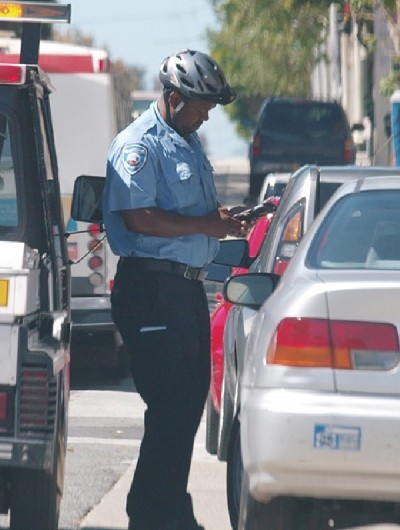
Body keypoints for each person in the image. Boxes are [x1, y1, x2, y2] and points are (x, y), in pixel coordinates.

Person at [102, 49, 249, 530]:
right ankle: (154, 515)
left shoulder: (185, 141)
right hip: (151, 290)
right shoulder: (140, 144)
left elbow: (190, 220)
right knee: (173, 401)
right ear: (172, 97)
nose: (208, 114)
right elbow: (138, 217)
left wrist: (222, 223)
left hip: (182, 292)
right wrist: (207, 223)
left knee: (185, 403)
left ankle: (163, 511)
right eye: (201, 105)